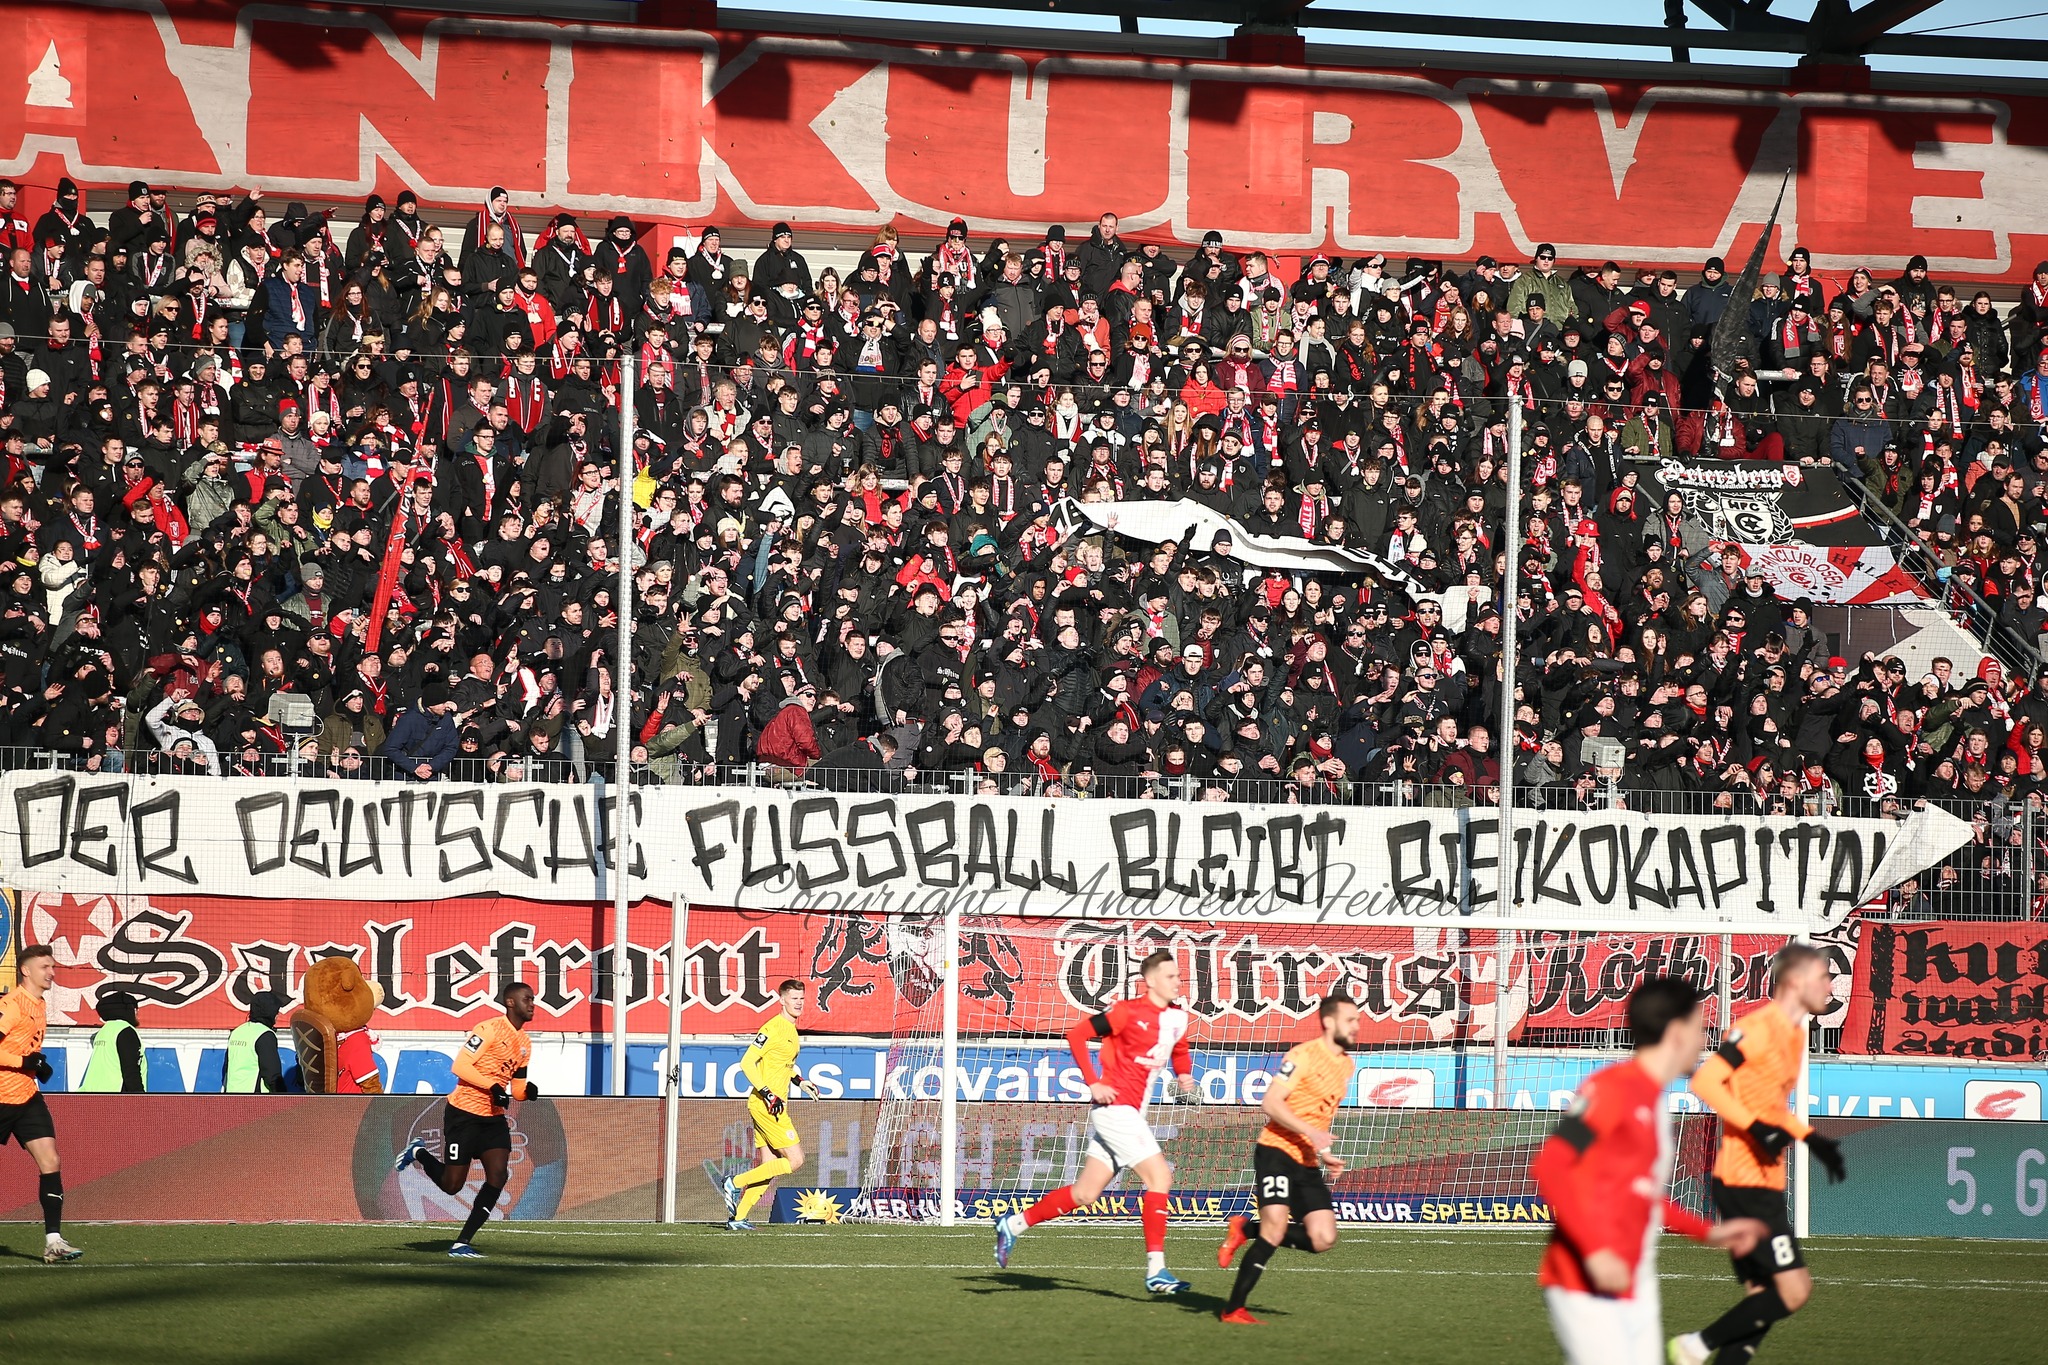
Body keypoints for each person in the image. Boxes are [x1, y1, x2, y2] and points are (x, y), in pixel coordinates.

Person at [1533, 977, 1768, 1365]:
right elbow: (1551, 1165)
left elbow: (1641, 1196)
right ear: (1676, 1032)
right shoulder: (1615, 1088)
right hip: (1586, 1280)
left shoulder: (1654, 1100)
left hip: (1635, 1281)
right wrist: (1595, 1253)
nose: (1705, 1040)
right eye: (1701, 1028)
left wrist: (1708, 1232)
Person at [1669, 946, 1848, 1365]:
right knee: (1795, 1290)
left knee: (1761, 1299)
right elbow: (1707, 1080)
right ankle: (1694, 1346)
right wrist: (1754, 1130)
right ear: (1795, 982)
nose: (1830, 984)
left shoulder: (1794, 1033)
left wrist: (1813, 1140)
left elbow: (1769, 1106)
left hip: (1760, 1180)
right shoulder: (1759, 1027)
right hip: (1744, 1182)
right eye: (1823, 976)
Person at [994, 948, 1197, 1295]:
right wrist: (1093, 1081)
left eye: (1178, 976)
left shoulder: (1177, 1017)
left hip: (1129, 1114)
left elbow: (1178, 1048)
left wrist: (1184, 1076)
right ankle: (1156, 1271)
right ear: (1149, 981)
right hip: (1116, 1109)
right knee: (1160, 1176)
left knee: (1086, 1193)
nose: (1178, 981)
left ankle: (1013, 1224)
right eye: (1170, 976)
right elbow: (1077, 1034)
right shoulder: (1125, 1013)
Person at [1215, 993, 1359, 1324]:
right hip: (1276, 1151)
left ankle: (1245, 1228)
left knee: (1323, 1239)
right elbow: (1271, 1102)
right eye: (1350, 1020)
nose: (1356, 1027)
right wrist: (1311, 1132)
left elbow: (1320, 1116)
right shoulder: (1302, 1056)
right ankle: (1233, 1309)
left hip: (1306, 1161)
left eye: (1357, 1021)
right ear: (1329, 1021)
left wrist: (1324, 1152)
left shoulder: (1346, 1064)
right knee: (1276, 1227)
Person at [393, 981, 539, 1259]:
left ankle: (462, 1242)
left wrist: (527, 1092)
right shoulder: (488, 1029)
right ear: (510, 1002)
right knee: (451, 1186)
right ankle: (418, 1151)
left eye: (533, 999)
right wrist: (493, 1087)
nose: (532, 1004)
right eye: (527, 999)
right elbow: (460, 1066)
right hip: (464, 1115)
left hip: (493, 1120)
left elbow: (518, 1087)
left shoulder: (525, 1043)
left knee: (498, 1176)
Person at [0, 945, 85, 1262]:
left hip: (26, 1096)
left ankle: (54, 1242)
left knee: (51, 1161)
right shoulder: (11, 1005)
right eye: (45, 966)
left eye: (52, 967)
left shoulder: (40, 1003)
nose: (51, 972)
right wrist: (25, 1060)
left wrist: (35, 1067)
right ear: (26, 970)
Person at [718, 978, 820, 1230]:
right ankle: (734, 1182)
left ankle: (738, 1218)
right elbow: (746, 1063)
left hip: (769, 1103)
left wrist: (799, 1080)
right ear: (782, 999)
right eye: (794, 998)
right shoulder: (772, 1027)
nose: (799, 1003)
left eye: (801, 999)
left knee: (768, 1167)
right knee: (795, 1161)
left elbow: (781, 1065)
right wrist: (767, 1093)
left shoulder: (791, 1030)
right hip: (768, 1105)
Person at [77, 989, 145, 1093]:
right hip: (115, 1099)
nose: (137, 1013)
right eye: (136, 1009)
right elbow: (131, 1071)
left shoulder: (103, 1031)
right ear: (131, 1010)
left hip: (91, 1095)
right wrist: (140, 1100)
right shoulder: (126, 1031)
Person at [226, 991, 288, 1094]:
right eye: (276, 1011)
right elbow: (272, 1075)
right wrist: (284, 1097)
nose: (278, 1016)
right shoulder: (265, 1034)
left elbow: (227, 1065)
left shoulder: (237, 1032)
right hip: (254, 1099)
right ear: (270, 1012)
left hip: (232, 1095)